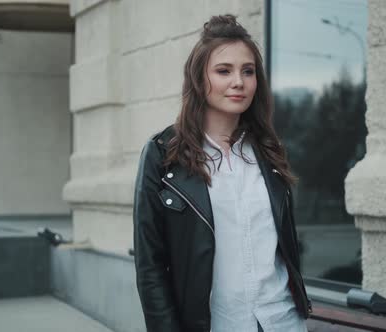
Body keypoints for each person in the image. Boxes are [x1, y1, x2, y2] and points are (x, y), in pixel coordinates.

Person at [133, 14, 311, 332]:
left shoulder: (269, 152)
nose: (238, 82)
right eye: (223, 71)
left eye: (248, 71)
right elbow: (151, 266)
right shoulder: (162, 155)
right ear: (200, 80)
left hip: (282, 322)